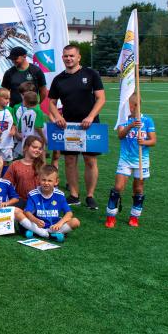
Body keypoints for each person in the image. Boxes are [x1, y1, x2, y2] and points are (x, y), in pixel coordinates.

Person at [47, 44, 106, 210]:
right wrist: (58, 117)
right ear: (62, 58)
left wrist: (91, 116)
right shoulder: (58, 79)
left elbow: (101, 98)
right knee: (70, 160)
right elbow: (51, 103)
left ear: (78, 57)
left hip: (90, 125)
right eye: (66, 56)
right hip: (69, 127)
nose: (69, 58)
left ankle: (90, 196)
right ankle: (74, 195)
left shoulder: (91, 74)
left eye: (72, 55)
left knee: (90, 160)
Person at [106, 94, 156, 228]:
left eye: (128, 106)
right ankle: (110, 216)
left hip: (141, 160)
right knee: (118, 187)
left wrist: (144, 142)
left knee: (138, 188)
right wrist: (131, 126)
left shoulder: (148, 121)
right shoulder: (123, 120)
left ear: (134, 106)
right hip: (125, 159)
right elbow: (120, 136)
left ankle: (134, 217)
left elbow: (153, 141)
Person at [15, 165, 80, 242]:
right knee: (18, 214)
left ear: (56, 182)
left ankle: (39, 233)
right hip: (38, 225)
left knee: (75, 222)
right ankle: (47, 234)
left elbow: (69, 213)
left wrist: (59, 223)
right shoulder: (33, 194)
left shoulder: (60, 195)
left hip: (54, 226)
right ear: (39, 179)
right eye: (43, 180)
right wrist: (35, 220)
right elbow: (27, 212)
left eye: (50, 181)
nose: (46, 183)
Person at [4, 135, 44, 204]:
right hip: (19, 200)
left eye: (40, 149)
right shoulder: (15, 164)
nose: (37, 150)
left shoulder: (42, 166)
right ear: (26, 147)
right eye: (34, 147)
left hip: (38, 201)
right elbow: (6, 184)